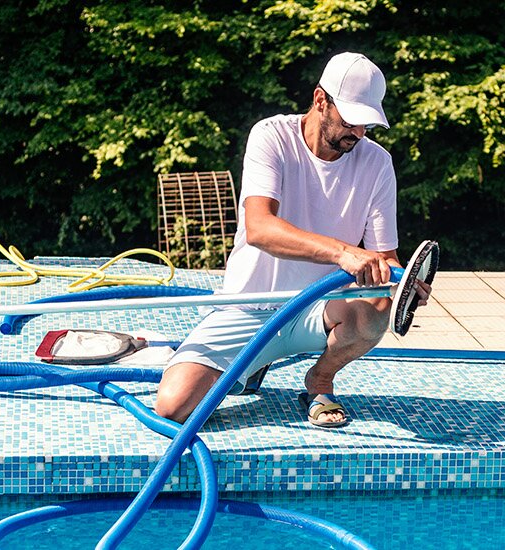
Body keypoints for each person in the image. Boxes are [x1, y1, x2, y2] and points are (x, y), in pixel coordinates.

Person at [153, 52, 429, 429]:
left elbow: (384, 260)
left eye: (367, 124)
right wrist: (344, 252)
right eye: (351, 120)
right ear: (320, 100)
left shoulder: (377, 163)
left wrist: (405, 282)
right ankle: (249, 367)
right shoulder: (271, 137)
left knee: (376, 308)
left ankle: (320, 379)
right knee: (174, 407)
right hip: (249, 309)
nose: (359, 133)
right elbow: (260, 229)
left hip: (321, 310)